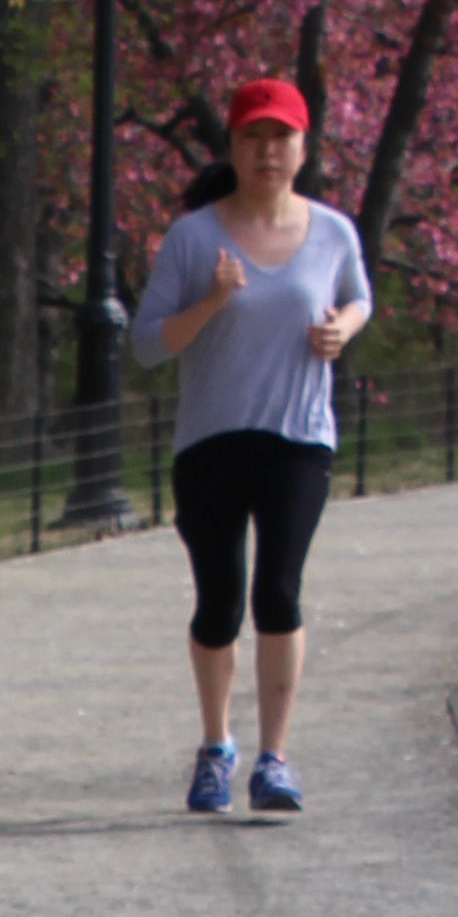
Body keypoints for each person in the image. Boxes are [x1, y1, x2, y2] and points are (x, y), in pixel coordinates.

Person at [128, 75, 372, 820]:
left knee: (279, 591)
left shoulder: (332, 232)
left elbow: (359, 295)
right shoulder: (195, 236)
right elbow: (146, 346)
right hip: (211, 441)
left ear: (303, 147)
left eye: (281, 137)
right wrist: (212, 300)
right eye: (252, 137)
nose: (268, 151)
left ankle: (274, 757)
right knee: (218, 602)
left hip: (298, 438)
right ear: (233, 148)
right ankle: (216, 746)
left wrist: (344, 330)